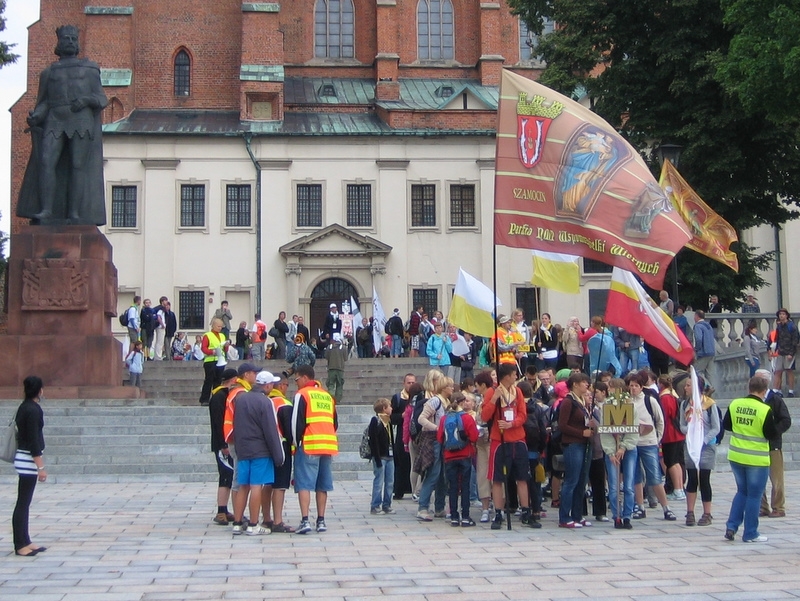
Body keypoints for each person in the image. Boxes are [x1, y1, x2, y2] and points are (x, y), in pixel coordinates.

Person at [17, 26, 108, 225]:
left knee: (77, 166)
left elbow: (101, 99)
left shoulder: (89, 69)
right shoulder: (48, 72)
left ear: (77, 43)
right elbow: (44, 102)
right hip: (55, 119)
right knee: (47, 162)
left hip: (81, 119)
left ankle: (75, 214)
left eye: (72, 38)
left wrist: (86, 100)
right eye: (65, 38)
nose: (69, 41)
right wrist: (36, 116)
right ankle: (47, 210)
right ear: (58, 44)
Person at [723, 375, 778, 543]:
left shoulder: (735, 404)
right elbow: (771, 434)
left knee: (741, 491)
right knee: (754, 495)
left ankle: (731, 526)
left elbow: (727, 425)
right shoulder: (764, 409)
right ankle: (751, 533)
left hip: (737, 455)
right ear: (764, 391)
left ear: (749, 388)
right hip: (756, 458)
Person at [230, 370, 285, 536]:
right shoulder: (265, 402)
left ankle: (238, 523)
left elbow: (236, 425)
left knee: (243, 486)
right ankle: (254, 524)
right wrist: (278, 455)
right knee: (256, 486)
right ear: (267, 385)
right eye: (272, 384)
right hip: (260, 450)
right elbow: (270, 430)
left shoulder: (241, 399)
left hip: (243, 449)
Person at [480, 363, 532, 529]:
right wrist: (494, 399)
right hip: (499, 440)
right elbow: (484, 416)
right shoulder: (491, 392)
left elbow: (523, 415)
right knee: (497, 479)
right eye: (514, 374)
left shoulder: (517, 391)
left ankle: (525, 511)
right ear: (507, 376)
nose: (516, 376)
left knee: (522, 477)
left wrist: (512, 424)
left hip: (518, 438)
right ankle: (498, 512)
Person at [292, 365, 339, 534]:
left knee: (304, 483)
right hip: (328, 445)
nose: (296, 383)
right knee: (322, 485)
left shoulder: (302, 395)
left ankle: (305, 520)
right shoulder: (327, 396)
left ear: (305, 378)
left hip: (310, 444)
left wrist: (295, 443)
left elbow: (296, 422)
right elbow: (335, 423)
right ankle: (321, 520)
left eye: (296, 379)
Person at [628, 371, 677, 522]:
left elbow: (660, 421)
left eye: (636, 386)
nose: (633, 388)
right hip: (632, 443)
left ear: (642, 387)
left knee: (654, 476)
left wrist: (657, 439)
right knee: (635, 476)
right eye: (631, 386)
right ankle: (640, 506)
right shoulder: (626, 401)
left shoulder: (650, 400)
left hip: (649, 443)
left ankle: (666, 508)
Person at [675, 372, 720, 527]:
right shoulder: (684, 404)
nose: (685, 388)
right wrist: (689, 430)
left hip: (706, 447)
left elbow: (716, 427)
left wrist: (703, 439)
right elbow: (681, 425)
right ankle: (690, 512)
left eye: (688, 385)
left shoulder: (709, 404)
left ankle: (707, 513)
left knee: (705, 480)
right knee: (692, 478)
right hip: (690, 445)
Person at [12, 376, 48, 556]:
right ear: (39, 390)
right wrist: (40, 467)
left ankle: (25, 540)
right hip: (27, 459)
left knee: (24, 503)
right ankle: (20, 545)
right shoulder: (33, 410)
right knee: (23, 503)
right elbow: (33, 440)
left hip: (24, 457)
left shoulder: (24, 407)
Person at [556, 372, 595, 528]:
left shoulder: (582, 402)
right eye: (583, 382)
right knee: (571, 480)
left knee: (581, 481)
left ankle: (577, 515)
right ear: (575, 385)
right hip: (573, 445)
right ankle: (564, 517)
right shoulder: (568, 402)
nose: (587, 385)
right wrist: (581, 433)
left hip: (585, 444)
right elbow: (563, 425)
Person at [599, 380, 640, 529]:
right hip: (611, 448)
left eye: (611, 388)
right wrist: (610, 452)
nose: (609, 390)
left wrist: (623, 447)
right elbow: (604, 431)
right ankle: (617, 516)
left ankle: (627, 515)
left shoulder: (631, 407)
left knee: (628, 485)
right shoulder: (606, 407)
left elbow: (634, 429)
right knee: (614, 486)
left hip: (628, 449)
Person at [437, 393, 479, 526]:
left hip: (449, 456)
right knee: (465, 487)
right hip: (464, 455)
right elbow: (474, 437)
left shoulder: (444, 418)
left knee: (453, 487)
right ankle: (466, 517)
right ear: (462, 403)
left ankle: (454, 517)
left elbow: (439, 438)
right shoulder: (467, 418)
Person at [754, 369, 792, 519]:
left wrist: (774, 432)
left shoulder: (775, 399)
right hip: (756, 445)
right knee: (758, 478)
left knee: (776, 479)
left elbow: (786, 420)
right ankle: (763, 507)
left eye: (758, 379)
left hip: (773, 445)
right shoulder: (752, 399)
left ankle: (778, 507)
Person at [415, 371, 451, 521]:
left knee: (443, 475)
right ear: (443, 387)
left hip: (443, 440)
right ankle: (423, 507)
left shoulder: (448, 402)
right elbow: (421, 418)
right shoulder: (435, 401)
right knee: (433, 473)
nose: (452, 389)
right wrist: (436, 428)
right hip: (433, 439)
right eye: (449, 386)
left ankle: (439, 507)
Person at [263, 374, 296, 533]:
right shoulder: (284, 403)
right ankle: (277, 521)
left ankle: (266, 518)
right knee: (280, 485)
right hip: (281, 446)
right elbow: (289, 431)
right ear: (282, 386)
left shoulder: (265, 402)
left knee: (267, 483)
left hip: (263, 447)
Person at [208, 368, 239, 526]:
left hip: (224, 442)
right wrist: (223, 444)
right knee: (226, 475)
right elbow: (219, 423)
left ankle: (225, 509)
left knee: (228, 475)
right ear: (232, 380)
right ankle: (221, 511)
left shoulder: (224, 395)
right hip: (222, 443)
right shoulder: (219, 396)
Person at [368, 398, 396, 515]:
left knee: (390, 482)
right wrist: (377, 458)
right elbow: (373, 441)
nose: (391, 408)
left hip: (390, 456)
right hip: (381, 457)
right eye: (389, 406)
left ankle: (387, 504)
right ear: (384, 408)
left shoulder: (388, 421)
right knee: (379, 481)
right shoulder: (376, 421)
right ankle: (375, 505)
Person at [390, 374, 416, 500]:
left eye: (413, 383)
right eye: (408, 382)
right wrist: (402, 416)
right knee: (400, 462)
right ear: (404, 383)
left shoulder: (418, 398)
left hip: (414, 435)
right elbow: (391, 418)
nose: (410, 385)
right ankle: (399, 490)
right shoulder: (397, 398)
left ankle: (414, 489)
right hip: (401, 435)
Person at [199, 318, 230, 405]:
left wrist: (226, 346)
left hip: (220, 360)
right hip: (210, 361)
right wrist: (212, 352)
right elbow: (203, 348)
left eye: (221, 326)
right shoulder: (207, 335)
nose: (220, 328)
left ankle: (216, 399)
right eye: (218, 326)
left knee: (218, 381)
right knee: (209, 380)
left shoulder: (222, 336)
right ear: (213, 326)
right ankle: (204, 400)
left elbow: (225, 349)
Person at [771, 308, 798, 397]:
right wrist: (776, 350)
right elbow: (777, 339)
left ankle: (791, 391)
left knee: (789, 371)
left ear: (786, 315)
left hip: (788, 352)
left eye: (783, 314)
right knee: (778, 371)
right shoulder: (779, 326)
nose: (781, 316)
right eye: (780, 314)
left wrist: (791, 353)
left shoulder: (792, 326)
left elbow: (795, 340)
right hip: (780, 352)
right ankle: (776, 390)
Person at [693, 310, 716, 388]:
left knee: (697, 371)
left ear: (697, 316)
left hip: (703, 352)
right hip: (711, 351)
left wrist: (696, 348)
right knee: (709, 373)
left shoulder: (698, 326)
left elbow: (698, 339)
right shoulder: (708, 325)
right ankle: (712, 388)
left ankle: (708, 387)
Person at [324, 334, 348, 402]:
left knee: (331, 384)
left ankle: (331, 399)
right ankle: (337, 400)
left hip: (331, 369)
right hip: (340, 369)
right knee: (339, 385)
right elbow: (345, 358)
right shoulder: (343, 348)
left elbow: (326, 357)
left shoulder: (329, 347)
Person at [152, 296, 168, 361]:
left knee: (158, 342)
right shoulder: (161, 309)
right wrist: (162, 325)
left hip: (158, 327)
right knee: (160, 342)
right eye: (166, 300)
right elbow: (159, 317)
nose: (166, 302)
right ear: (162, 301)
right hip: (160, 327)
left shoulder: (158, 308)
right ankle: (158, 356)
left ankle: (157, 356)